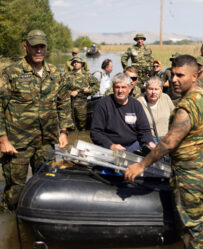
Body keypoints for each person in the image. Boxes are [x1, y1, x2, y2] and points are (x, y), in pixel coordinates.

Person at [125, 55, 203, 249]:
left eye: (180, 75)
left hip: (189, 180)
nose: (174, 80)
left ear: (195, 76)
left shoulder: (185, 108)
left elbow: (169, 143)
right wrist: (200, 142)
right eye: (173, 74)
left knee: (193, 232)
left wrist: (141, 165)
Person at [0, 29, 74, 212]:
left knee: (46, 185)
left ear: (46, 48)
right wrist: (3, 139)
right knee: (14, 191)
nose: (38, 50)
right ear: (26, 48)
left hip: (46, 141)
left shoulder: (56, 74)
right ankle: (9, 227)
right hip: (17, 143)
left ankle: (35, 226)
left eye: (41, 46)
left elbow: (64, 103)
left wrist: (63, 131)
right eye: (34, 47)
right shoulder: (12, 73)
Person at [90, 73, 155, 152]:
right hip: (111, 147)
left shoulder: (136, 105)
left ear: (129, 89)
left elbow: (144, 130)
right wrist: (110, 145)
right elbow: (95, 132)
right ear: (113, 88)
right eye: (117, 87)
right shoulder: (103, 105)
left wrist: (150, 142)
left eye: (123, 87)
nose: (120, 91)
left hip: (134, 145)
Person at [137, 76, 175, 143]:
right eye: (150, 89)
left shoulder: (165, 98)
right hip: (150, 141)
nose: (153, 92)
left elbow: (174, 116)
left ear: (161, 90)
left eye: (156, 89)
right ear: (146, 89)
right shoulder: (139, 102)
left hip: (167, 139)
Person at [66, 56, 99, 130]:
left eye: (77, 62)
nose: (76, 64)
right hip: (69, 103)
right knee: (70, 126)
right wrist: (70, 92)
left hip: (82, 103)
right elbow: (61, 88)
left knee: (82, 124)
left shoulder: (87, 75)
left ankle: (82, 139)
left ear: (81, 64)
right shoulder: (67, 75)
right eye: (74, 62)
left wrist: (89, 90)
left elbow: (96, 86)